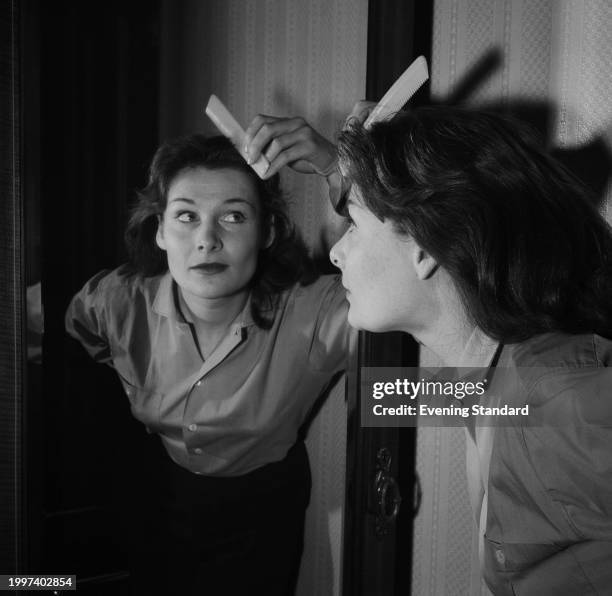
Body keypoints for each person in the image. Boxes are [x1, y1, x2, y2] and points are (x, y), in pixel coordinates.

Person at [245, 106, 612, 594]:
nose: (335, 252)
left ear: (423, 246)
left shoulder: (557, 406)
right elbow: (396, 397)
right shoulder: (487, 376)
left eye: (352, 226)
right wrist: (351, 169)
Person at [65, 134, 351, 596]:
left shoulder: (314, 314)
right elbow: (78, 329)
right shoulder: (117, 301)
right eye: (186, 216)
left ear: (268, 232)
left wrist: (338, 169)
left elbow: (422, 273)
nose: (207, 240)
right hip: (153, 490)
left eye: (234, 216)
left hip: (260, 515)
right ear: (160, 230)